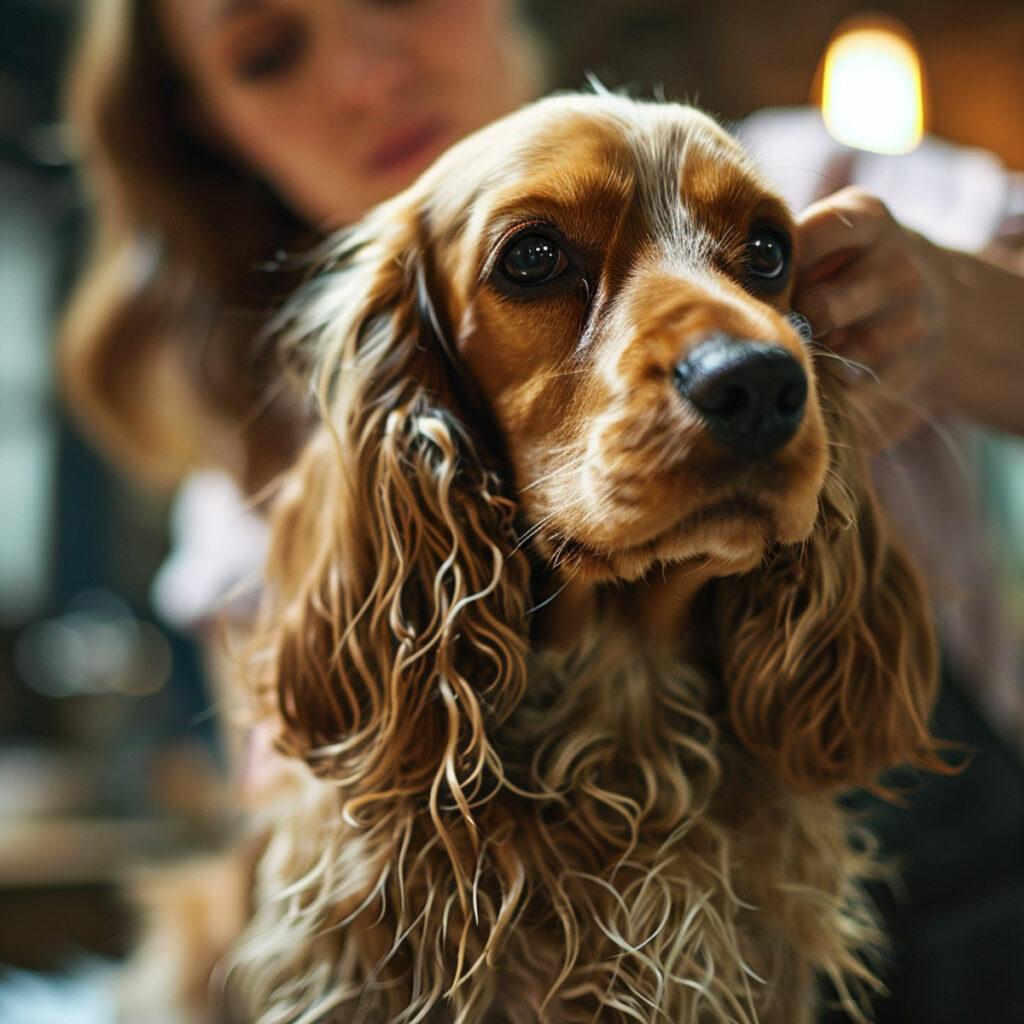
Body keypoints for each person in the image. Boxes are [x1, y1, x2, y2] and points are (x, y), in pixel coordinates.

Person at [58, 1, 1024, 1019]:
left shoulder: (822, 180)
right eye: (267, 54)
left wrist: (957, 309)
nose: (368, 73)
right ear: (207, 122)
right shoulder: (248, 495)